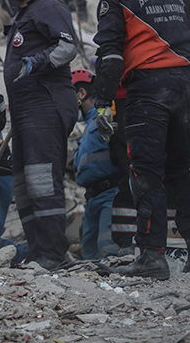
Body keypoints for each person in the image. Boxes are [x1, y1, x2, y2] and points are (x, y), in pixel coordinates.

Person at [85, 0, 190, 279]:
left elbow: (110, 56)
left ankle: (152, 256)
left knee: (145, 173)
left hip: (149, 91)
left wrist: (101, 104)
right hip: (186, 87)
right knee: (178, 171)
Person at [2, 0, 77, 268]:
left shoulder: (48, 5)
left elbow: (68, 46)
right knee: (26, 183)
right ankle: (38, 252)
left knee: (42, 180)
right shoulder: (25, 11)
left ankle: (51, 255)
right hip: (26, 110)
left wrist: (38, 62)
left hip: (45, 104)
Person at [72, 69, 122, 260]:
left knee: (108, 251)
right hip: (92, 199)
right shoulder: (89, 127)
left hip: (110, 196)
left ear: (81, 94)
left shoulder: (105, 120)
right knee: (90, 258)